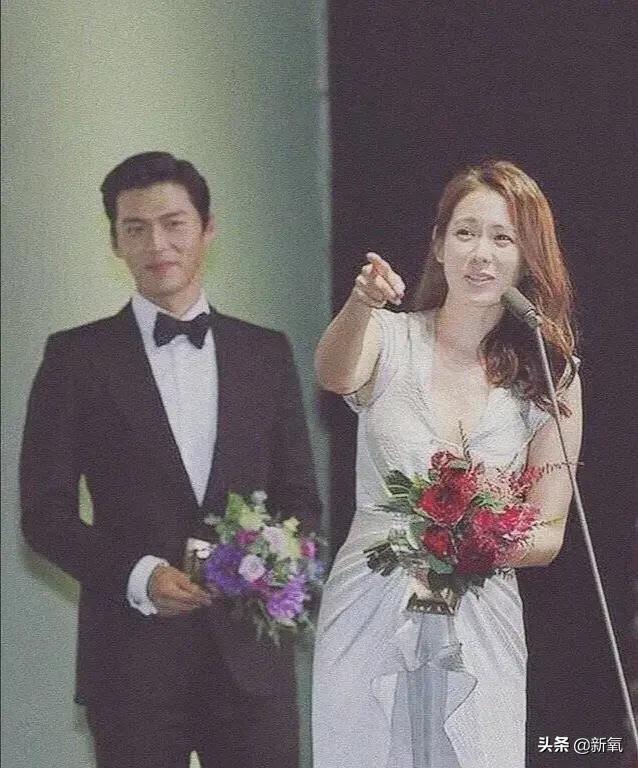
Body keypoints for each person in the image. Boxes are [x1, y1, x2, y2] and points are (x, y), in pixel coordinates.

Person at [20, 151, 321, 768]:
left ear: (207, 229)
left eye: (173, 223)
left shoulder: (265, 352)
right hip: (131, 663)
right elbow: (44, 516)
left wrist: (262, 570)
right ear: (115, 242)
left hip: (252, 662)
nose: (157, 244)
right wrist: (139, 576)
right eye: (135, 228)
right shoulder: (76, 357)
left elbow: (302, 503)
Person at [312, 159, 583, 768]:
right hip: (370, 600)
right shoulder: (387, 337)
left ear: (527, 259)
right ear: (438, 246)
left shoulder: (550, 374)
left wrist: (481, 540)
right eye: (465, 233)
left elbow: (550, 532)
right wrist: (360, 303)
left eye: (502, 238)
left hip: (482, 614)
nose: (480, 254)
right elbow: (333, 374)